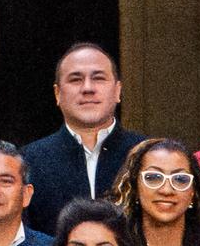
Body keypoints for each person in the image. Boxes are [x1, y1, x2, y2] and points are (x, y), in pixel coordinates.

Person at [21, 43, 146, 234]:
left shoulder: (146, 156)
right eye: (75, 79)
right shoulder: (29, 160)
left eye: (98, 78)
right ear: (57, 94)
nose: (88, 88)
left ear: (118, 91)